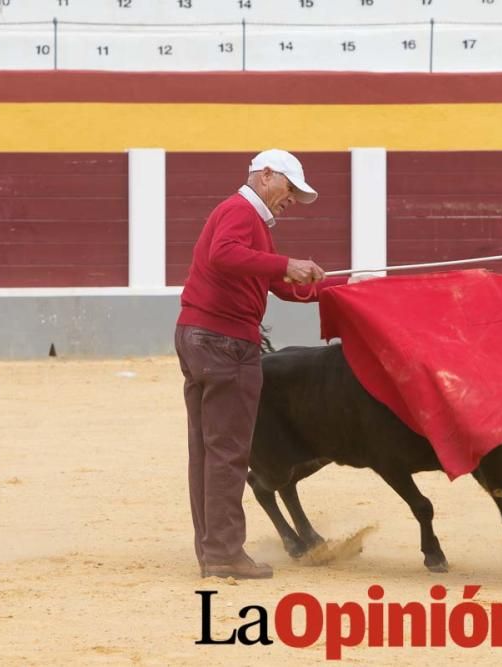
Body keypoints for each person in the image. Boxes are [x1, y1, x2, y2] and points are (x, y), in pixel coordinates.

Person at [174, 148, 354, 579]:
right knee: (229, 451)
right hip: (224, 342)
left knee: (208, 450)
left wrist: (336, 286)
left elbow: (275, 283)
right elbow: (225, 254)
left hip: (201, 335)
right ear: (267, 175)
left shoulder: (247, 219)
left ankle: (214, 548)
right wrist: (285, 263)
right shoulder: (241, 212)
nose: (291, 198)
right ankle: (222, 553)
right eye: (289, 188)